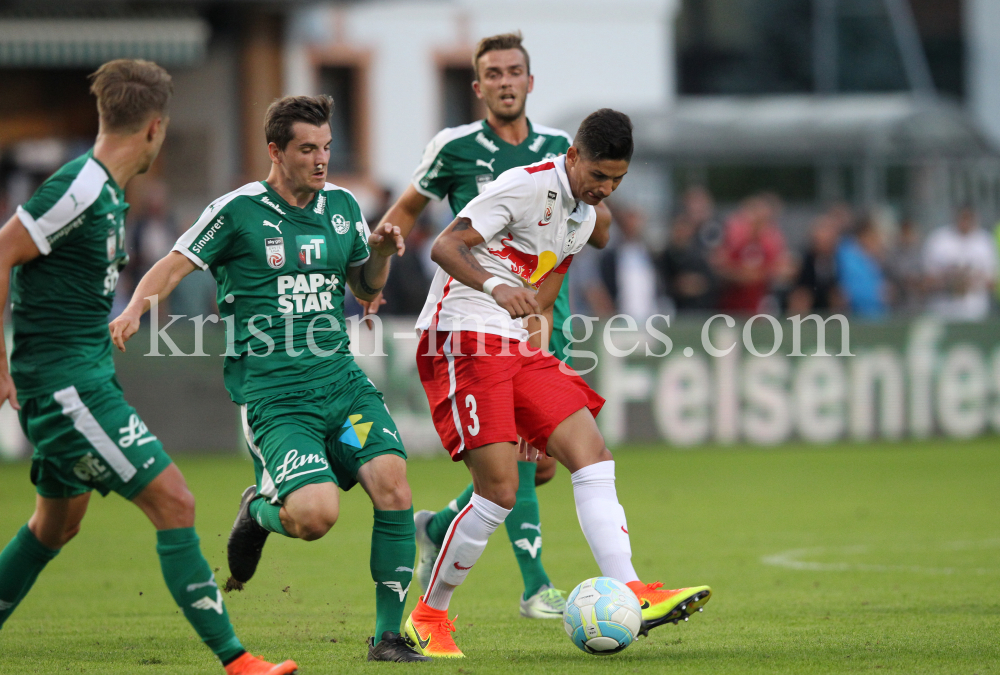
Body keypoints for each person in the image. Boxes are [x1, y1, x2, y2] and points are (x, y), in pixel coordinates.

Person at [0, 60, 297, 675]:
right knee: (175, 501)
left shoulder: (104, 191)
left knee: (56, 525)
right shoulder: (80, 187)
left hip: (80, 377)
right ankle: (238, 662)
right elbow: (2, 252)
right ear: (156, 128)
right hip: (65, 387)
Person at [109, 95, 428, 663]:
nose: (321, 159)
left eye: (327, 147)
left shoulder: (342, 206)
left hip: (341, 385)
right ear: (275, 150)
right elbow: (174, 264)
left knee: (393, 483)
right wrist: (136, 308)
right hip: (278, 399)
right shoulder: (237, 211)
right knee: (315, 518)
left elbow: (364, 285)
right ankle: (258, 508)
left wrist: (379, 251)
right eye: (308, 148)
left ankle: (388, 637)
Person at [402, 109, 711, 658]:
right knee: (498, 491)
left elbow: (542, 298)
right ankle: (429, 616)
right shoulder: (523, 187)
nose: (605, 189)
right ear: (572, 156)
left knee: (592, 453)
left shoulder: (586, 218)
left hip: (516, 346)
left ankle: (634, 589)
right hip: (462, 335)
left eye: (617, 180)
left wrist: (532, 399)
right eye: (598, 175)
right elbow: (445, 247)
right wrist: (497, 288)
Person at [367, 32, 611, 619]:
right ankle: (535, 587)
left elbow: (598, 229)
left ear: (531, 82)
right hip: (479, 317)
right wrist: (370, 271)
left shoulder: (563, 150)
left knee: (544, 464)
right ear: (478, 88)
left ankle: (439, 527)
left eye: (515, 72)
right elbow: (406, 213)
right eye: (494, 74)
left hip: (549, 313)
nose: (505, 82)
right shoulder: (453, 148)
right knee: (519, 461)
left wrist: (594, 193)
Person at [923, 205, 997, 321]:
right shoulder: (939, 239)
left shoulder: (984, 241)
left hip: (975, 311)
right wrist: (950, 280)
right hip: (943, 311)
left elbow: (991, 282)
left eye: (968, 218)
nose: (965, 222)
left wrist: (970, 280)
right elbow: (927, 279)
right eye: (962, 218)